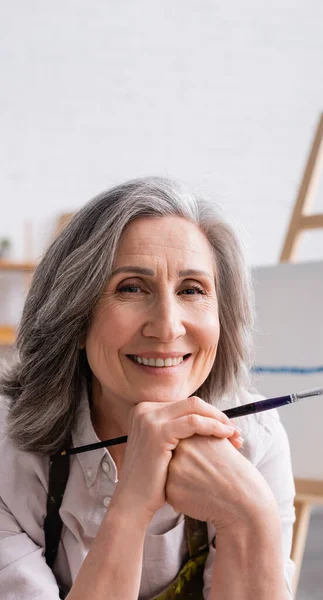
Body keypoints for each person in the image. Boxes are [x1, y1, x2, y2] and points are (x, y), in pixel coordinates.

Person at [0, 177, 295, 599]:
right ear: (76, 317)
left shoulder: (256, 436)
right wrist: (132, 502)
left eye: (192, 290)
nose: (167, 327)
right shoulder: (7, 451)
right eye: (132, 288)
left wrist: (250, 513)